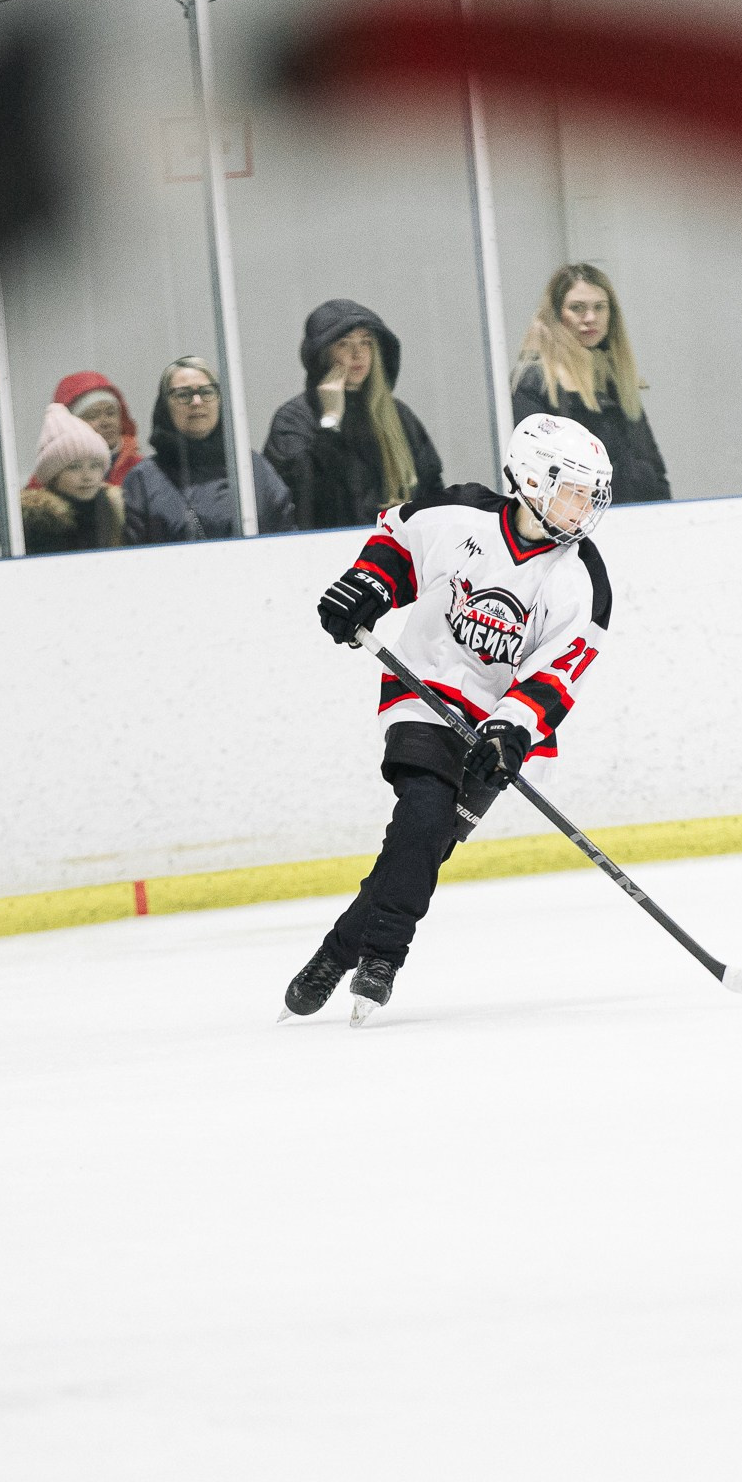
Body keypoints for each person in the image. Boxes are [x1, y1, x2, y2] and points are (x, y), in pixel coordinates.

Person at [284, 413, 614, 1024]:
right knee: (424, 811)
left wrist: (512, 729)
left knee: (424, 844)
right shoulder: (462, 514)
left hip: (495, 729)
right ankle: (382, 960)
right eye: (572, 488)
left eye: (591, 493)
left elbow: (556, 674)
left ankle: (333, 955)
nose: (584, 505)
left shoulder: (582, 579)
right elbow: (398, 540)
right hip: (423, 687)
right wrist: (367, 586)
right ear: (533, 481)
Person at [261, 300, 443, 530]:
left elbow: (433, 492)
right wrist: (330, 420)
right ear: (323, 353)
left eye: (365, 342)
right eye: (344, 344)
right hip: (327, 553)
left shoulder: (399, 416)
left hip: (396, 555)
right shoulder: (294, 420)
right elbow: (302, 500)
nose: (358, 354)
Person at [512, 262, 672, 504]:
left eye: (600, 307)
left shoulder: (616, 378)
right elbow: (533, 475)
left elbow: (652, 466)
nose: (590, 318)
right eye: (577, 308)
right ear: (556, 314)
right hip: (575, 526)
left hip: (640, 518)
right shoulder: (534, 381)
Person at [122, 356, 294, 542]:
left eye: (206, 392)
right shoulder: (143, 480)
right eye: (183, 394)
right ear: (164, 406)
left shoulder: (251, 467)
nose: (196, 402)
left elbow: (286, 536)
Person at [0, 403, 128, 555]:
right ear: (53, 476)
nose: (87, 476)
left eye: (95, 465)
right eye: (74, 467)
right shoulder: (35, 525)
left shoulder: (115, 510)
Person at [52, 369, 144, 487]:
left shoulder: (142, 471)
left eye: (111, 413)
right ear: (69, 425)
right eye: (92, 416)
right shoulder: (49, 480)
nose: (105, 422)